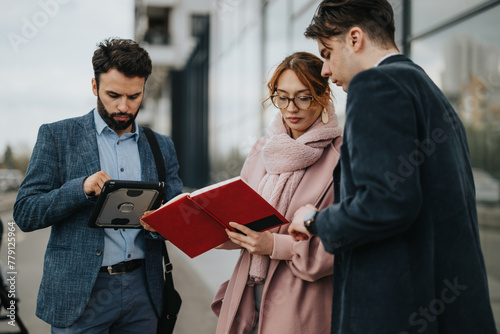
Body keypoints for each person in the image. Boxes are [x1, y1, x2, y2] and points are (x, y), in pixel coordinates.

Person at [288, 1, 498, 333]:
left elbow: (386, 202)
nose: (325, 70)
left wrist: (315, 220)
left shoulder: (375, 87)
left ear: (355, 38)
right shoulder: (428, 90)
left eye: (327, 52)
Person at [13, 38, 183, 333]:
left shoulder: (161, 146)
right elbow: (26, 213)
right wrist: (79, 189)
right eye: (113, 94)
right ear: (95, 87)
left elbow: (179, 212)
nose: (123, 106)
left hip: (144, 289)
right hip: (81, 293)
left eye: (134, 97)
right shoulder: (58, 136)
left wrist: (166, 221)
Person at [211, 52, 343, 334]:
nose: (290, 108)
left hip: (302, 303)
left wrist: (274, 246)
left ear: (323, 96)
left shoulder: (344, 156)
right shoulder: (263, 149)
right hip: (248, 293)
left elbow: (344, 243)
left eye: (303, 97)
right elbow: (241, 223)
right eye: (281, 97)